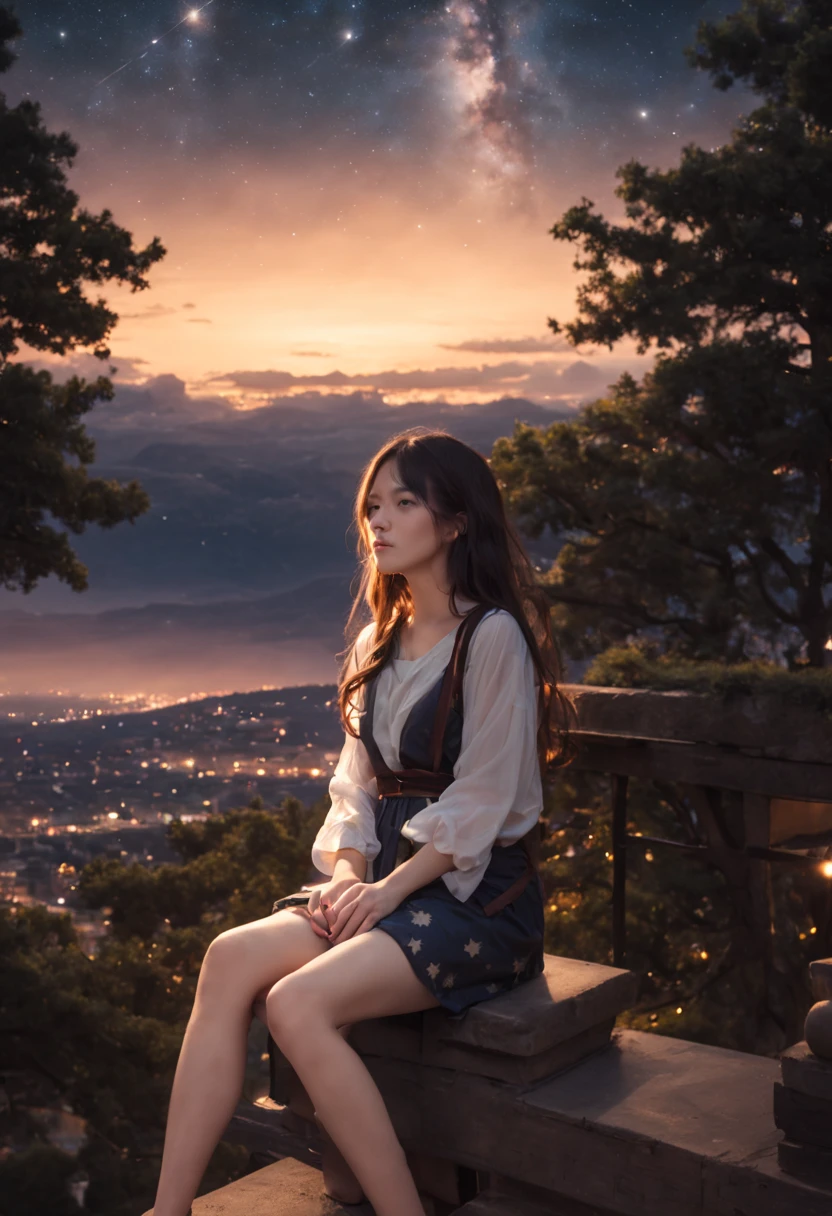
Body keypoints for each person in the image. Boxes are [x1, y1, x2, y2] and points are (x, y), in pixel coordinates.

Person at [147, 428, 572, 1216]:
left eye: (404, 503)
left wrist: (388, 891)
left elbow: (484, 796)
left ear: (454, 522)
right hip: (386, 885)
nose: (379, 521)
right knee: (227, 958)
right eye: (372, 505)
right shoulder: (377, 642)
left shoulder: (493, 637)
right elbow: (356, 787)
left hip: (475, 898)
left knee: (296, 1002)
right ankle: (167, 1209)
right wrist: (348, 876)